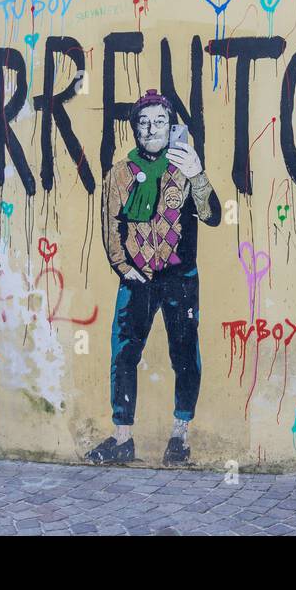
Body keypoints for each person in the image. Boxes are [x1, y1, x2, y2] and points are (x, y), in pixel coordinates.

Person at [87, 90, 222, 466]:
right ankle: (122, 436)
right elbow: (111, 224)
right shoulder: (119, 173)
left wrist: (197, 173)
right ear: (134, 128)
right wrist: (123, 266)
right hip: (137, 278)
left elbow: (212, 214)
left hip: (180, 277)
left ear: (171, 127)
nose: (151, 129)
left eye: (159, 122)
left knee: (184, 353)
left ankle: (180, 434)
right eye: (143, 122)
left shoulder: (184, 167)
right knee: (124, 354)